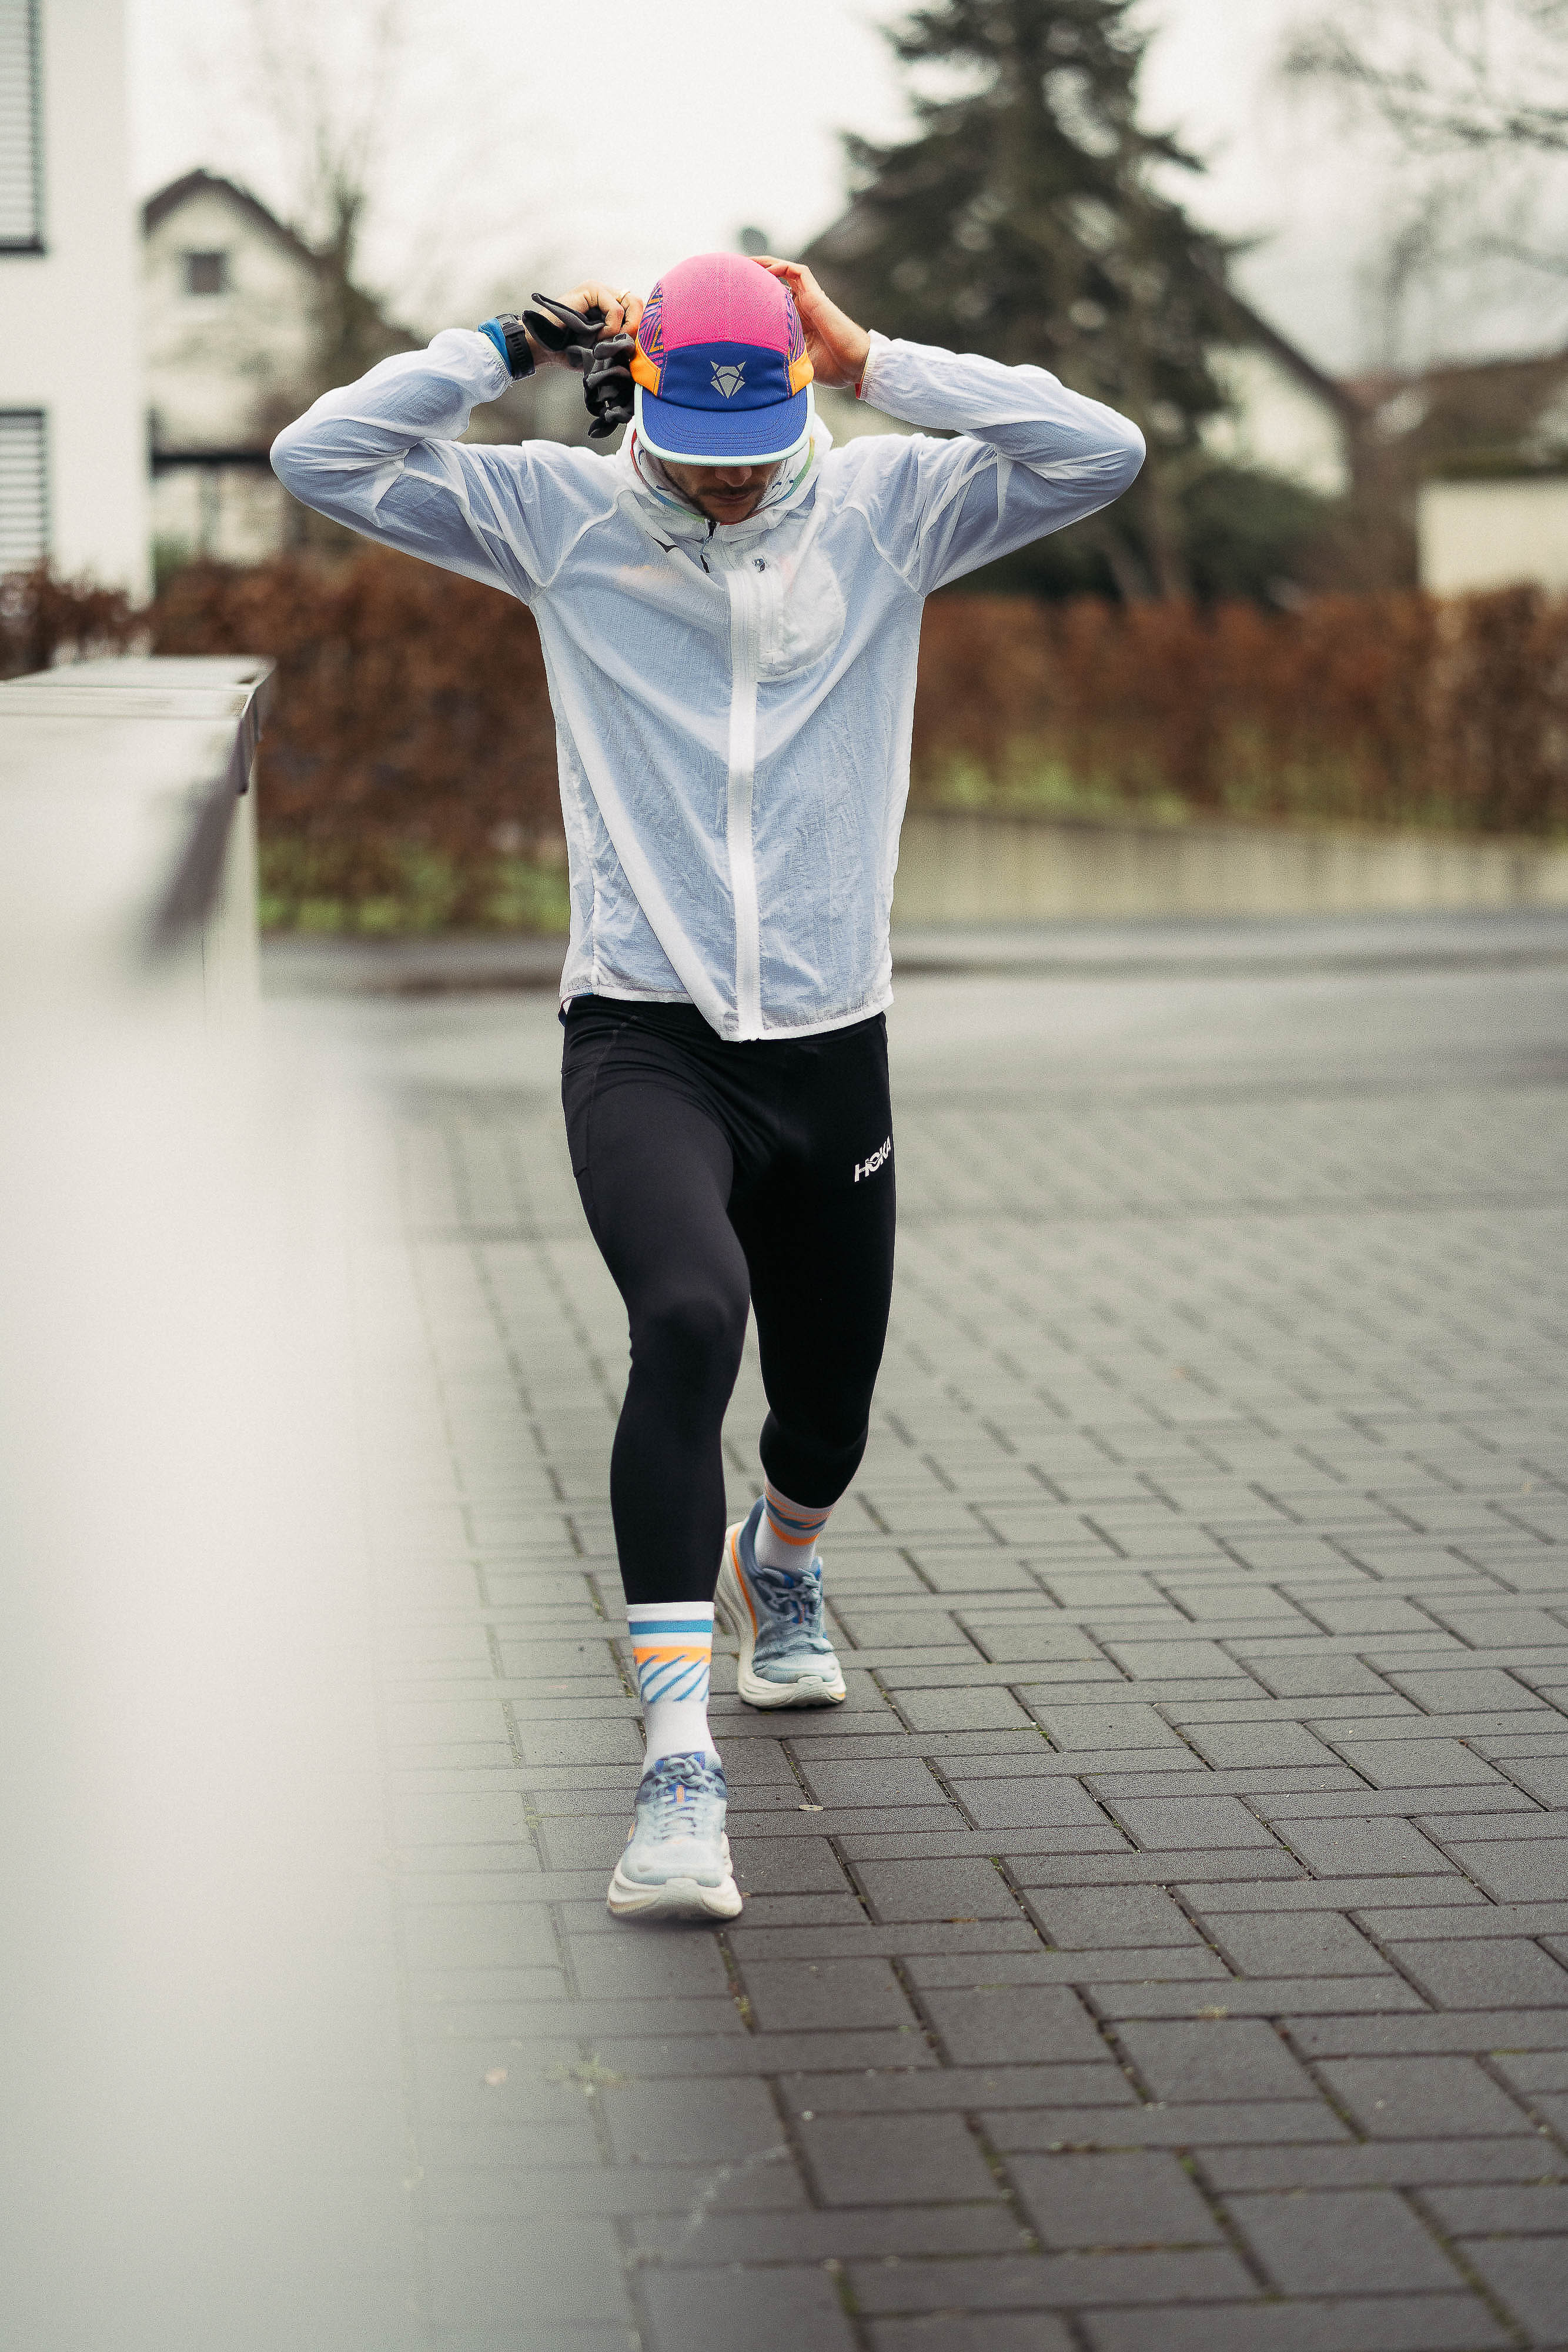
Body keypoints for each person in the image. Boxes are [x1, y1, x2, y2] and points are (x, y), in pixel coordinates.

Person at [271, 251, 1145, 1922]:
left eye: (756, 445)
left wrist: (877, 358)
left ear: (799, 399)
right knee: (686, 1317)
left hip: (828, 1040)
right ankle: (678, 1768)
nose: (729, 478)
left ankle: (781, 1559)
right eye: (697, 448)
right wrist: (498, 348)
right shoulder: (556, 517)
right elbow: (321, 459)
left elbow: (1097, 452)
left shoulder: (892, 510)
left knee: (826, 1416)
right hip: (642, 1032)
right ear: (648, 409)